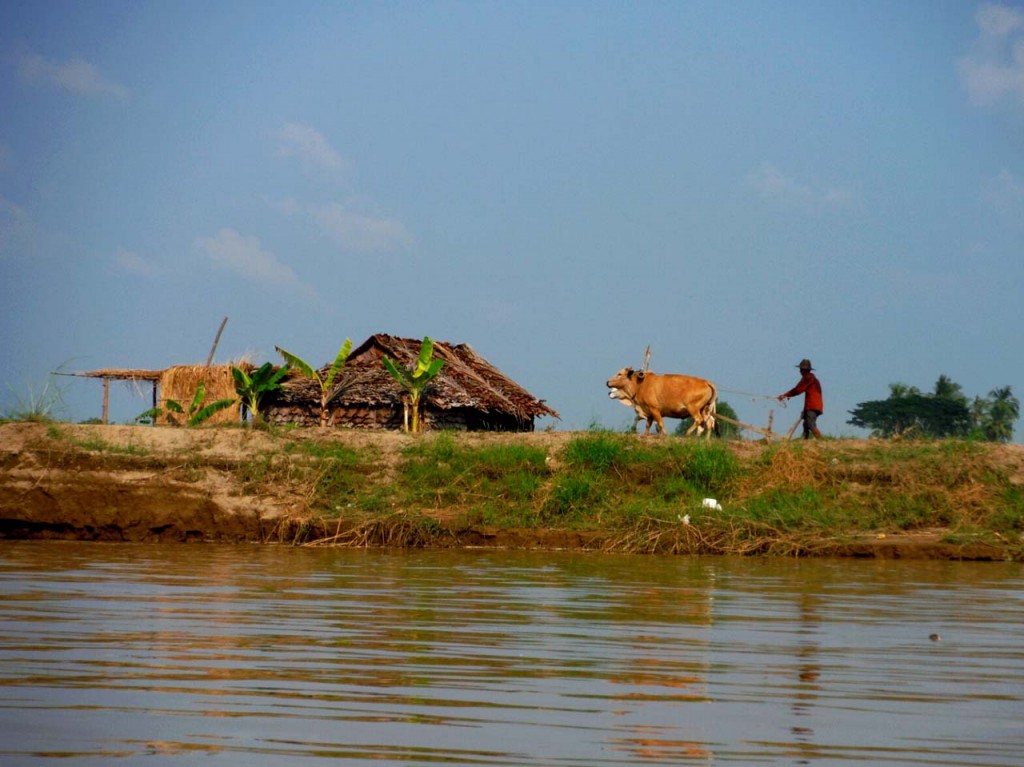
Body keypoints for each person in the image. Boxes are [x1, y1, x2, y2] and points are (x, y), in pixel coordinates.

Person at [778, 359, 823, 439]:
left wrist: (785, 395)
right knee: (805, 424)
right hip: (814, 405)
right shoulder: (813, 379)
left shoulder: (807, 378)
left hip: (812, 406)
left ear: (803, 370)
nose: (800, 371)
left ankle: (822, 441)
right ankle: (804, 442)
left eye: (801, 369)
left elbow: (798, 389)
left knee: (810, 424)